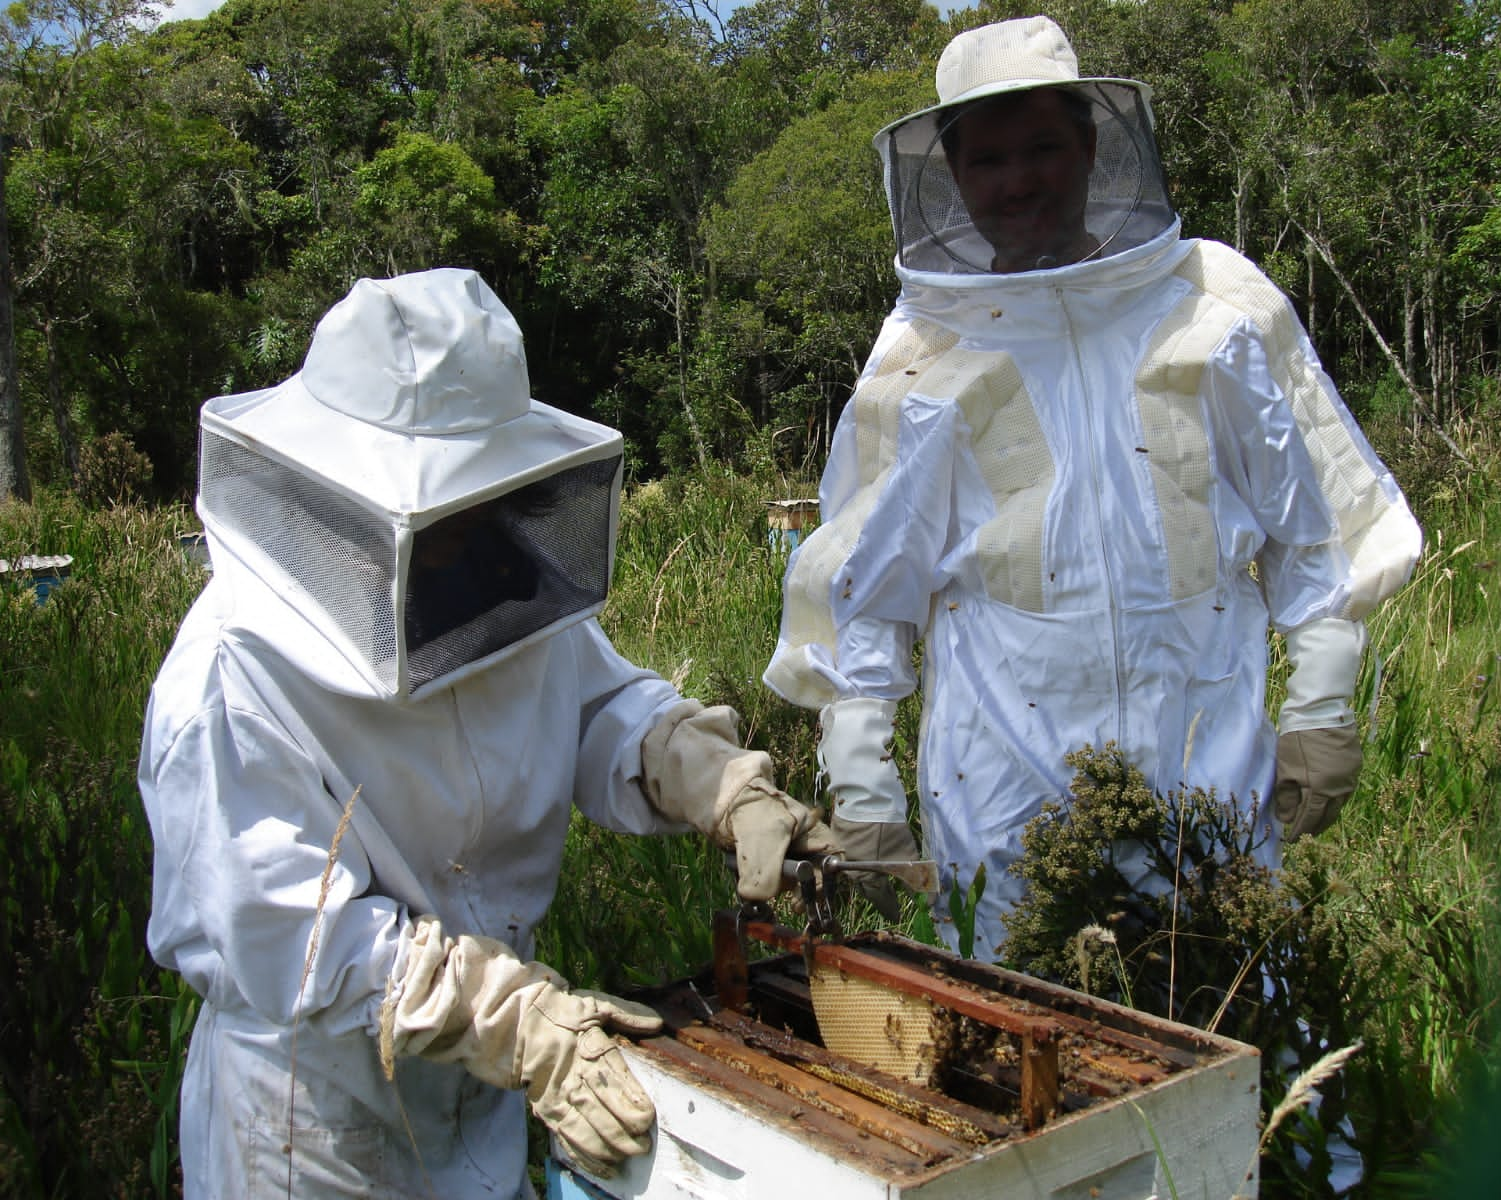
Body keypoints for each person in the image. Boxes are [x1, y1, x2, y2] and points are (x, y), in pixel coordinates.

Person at [139, 267, 836, 1198]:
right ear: (340, 491)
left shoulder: (491, 574)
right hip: (318, 1130)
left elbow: (593, 702)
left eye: (480, 500)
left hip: (490, 1097)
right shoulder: (234, 671)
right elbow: (295, 941)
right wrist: (520, 1023)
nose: (464, 536)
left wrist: (707, 773)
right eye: (444, 512)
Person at [764, 16, 1421, 960]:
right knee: (1021, 1048)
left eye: (1043, 147)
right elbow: (865, 590)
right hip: (1000, 791)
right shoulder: (923, 347)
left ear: (1093, 145)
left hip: (1206, 768)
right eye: (989, 160)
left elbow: (1311, 523)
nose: (1020, 179)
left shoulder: (1215, 302)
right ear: (950, 178)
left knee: (1228, 1036)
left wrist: (1321, 699)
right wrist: (863, 785)